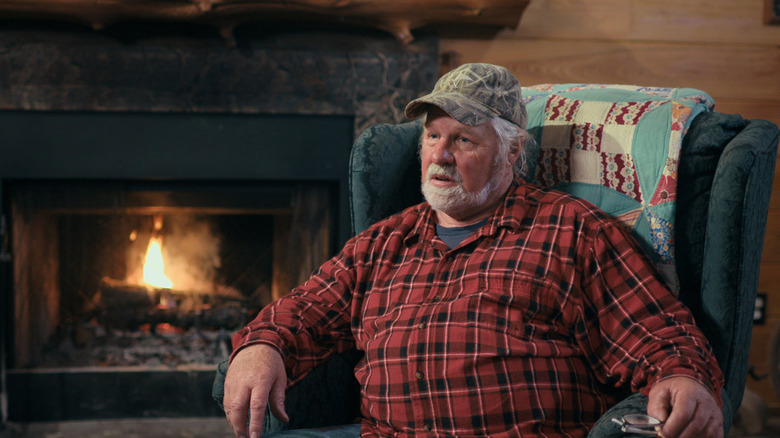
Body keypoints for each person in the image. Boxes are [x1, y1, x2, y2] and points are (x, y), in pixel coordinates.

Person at [223, 63, 725, 438]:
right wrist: (261, 346)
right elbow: (303, 310)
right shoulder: (381, 244)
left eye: (463, 139)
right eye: (433, 135)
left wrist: (684, 378)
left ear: (510, 152)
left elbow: (659, 335)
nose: (440, 155)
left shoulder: (573, 232)